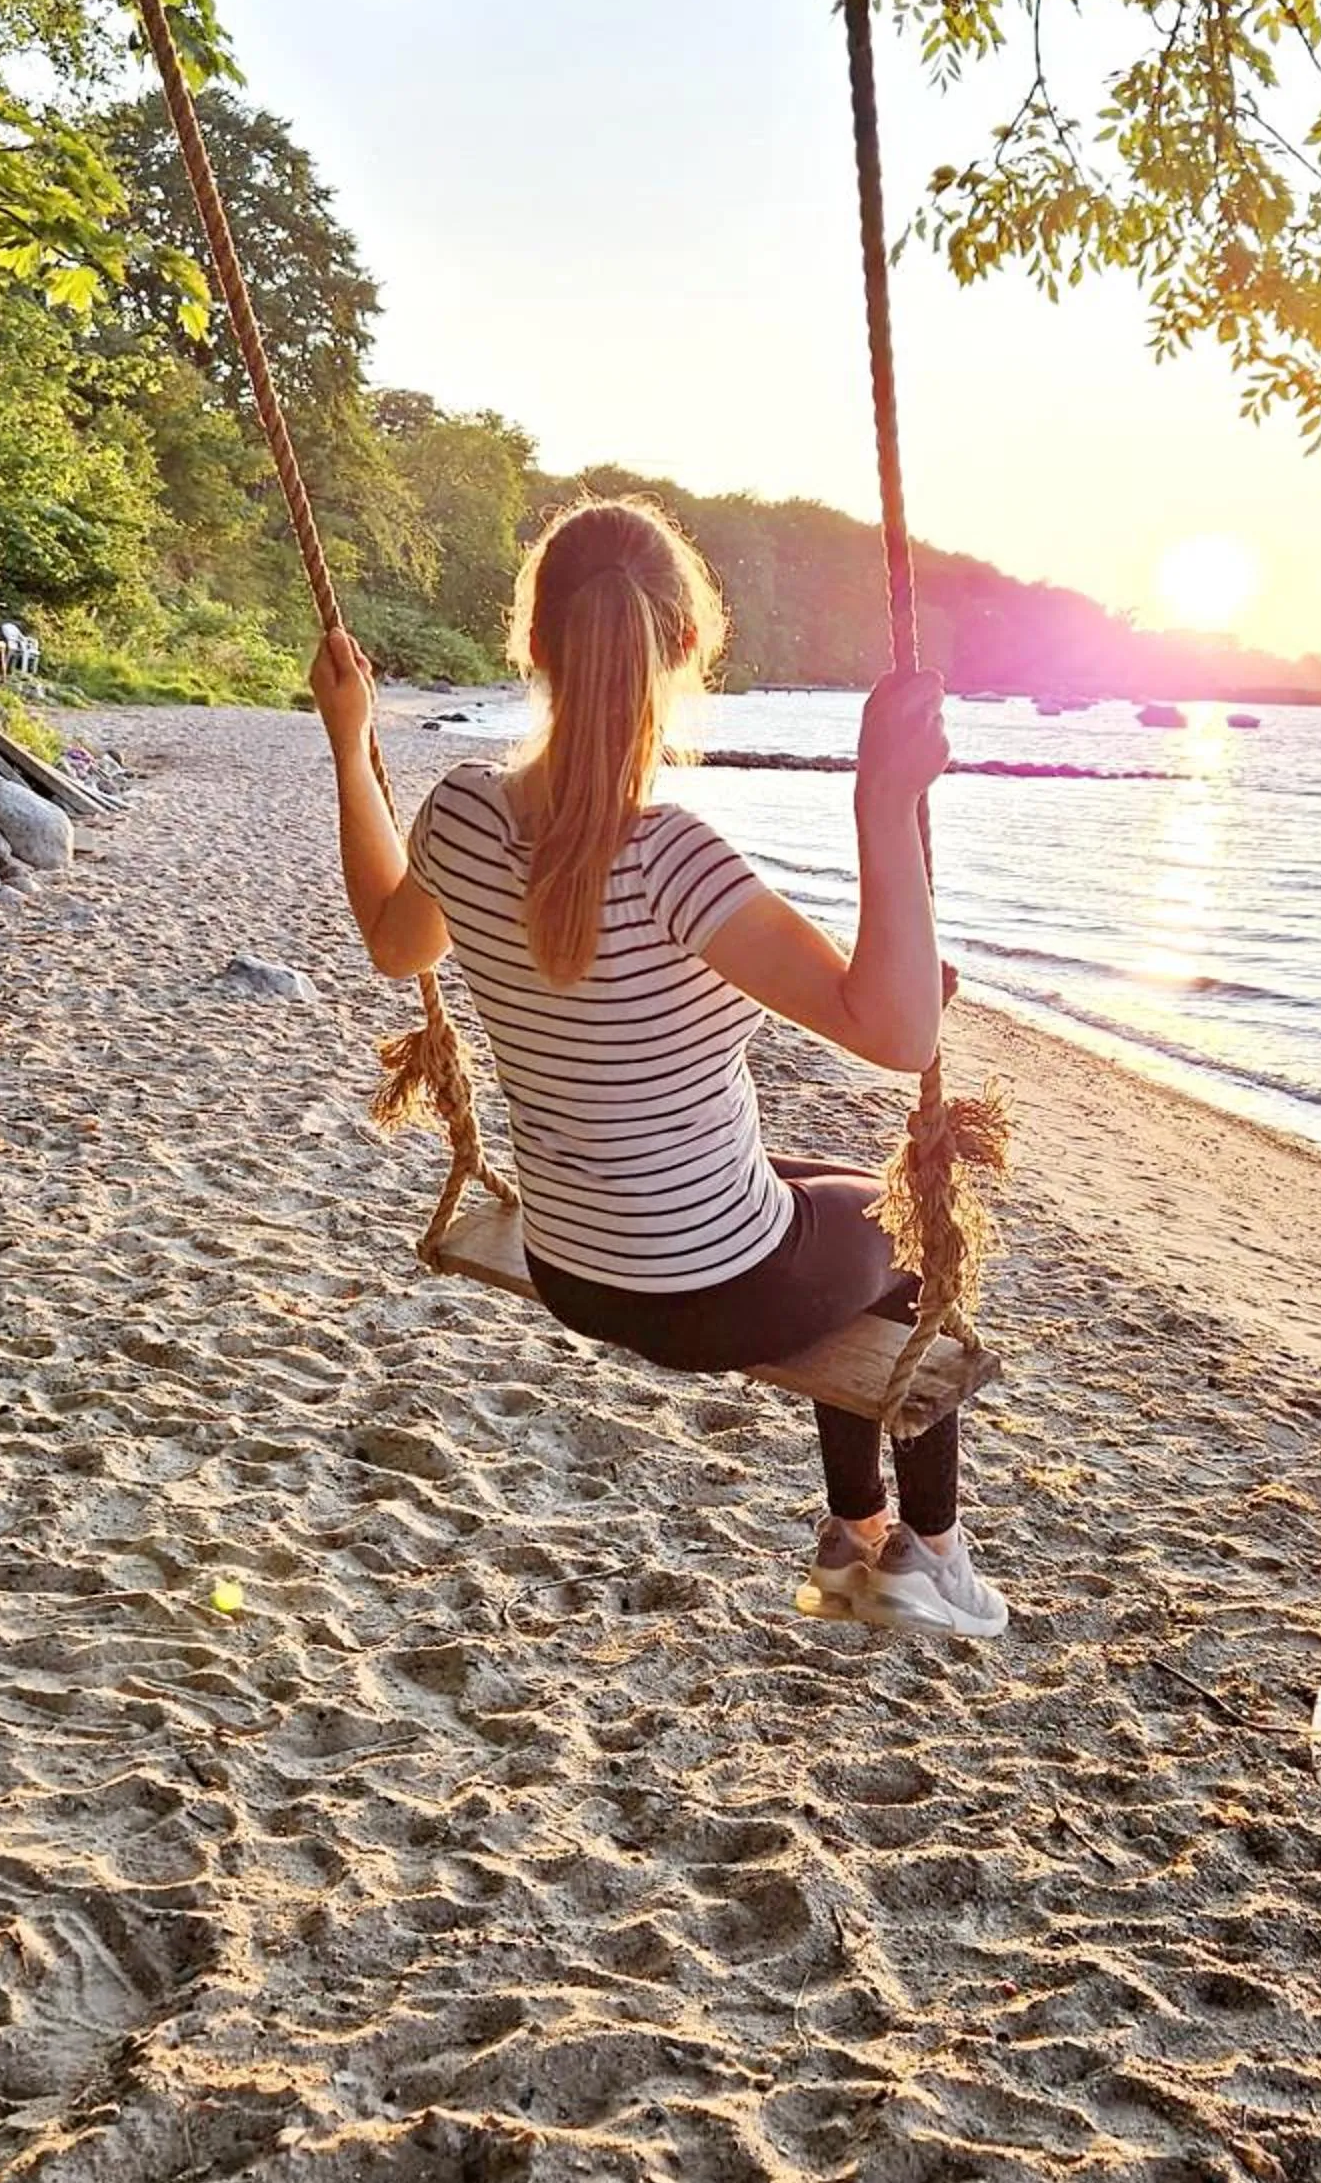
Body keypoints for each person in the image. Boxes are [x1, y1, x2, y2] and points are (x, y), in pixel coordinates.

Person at [310, 495, 1002, 1640]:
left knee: (831, 1186)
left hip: (576, 1268)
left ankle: (854, 1546)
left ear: (530, 645)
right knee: (913, 1236)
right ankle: (929, 1551)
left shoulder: (463, 815)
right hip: (705, 1292)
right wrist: (881, 798)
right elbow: (894, 1036)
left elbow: (396, 941)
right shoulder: (676, 861)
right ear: (686, 652)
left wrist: (348, 741)